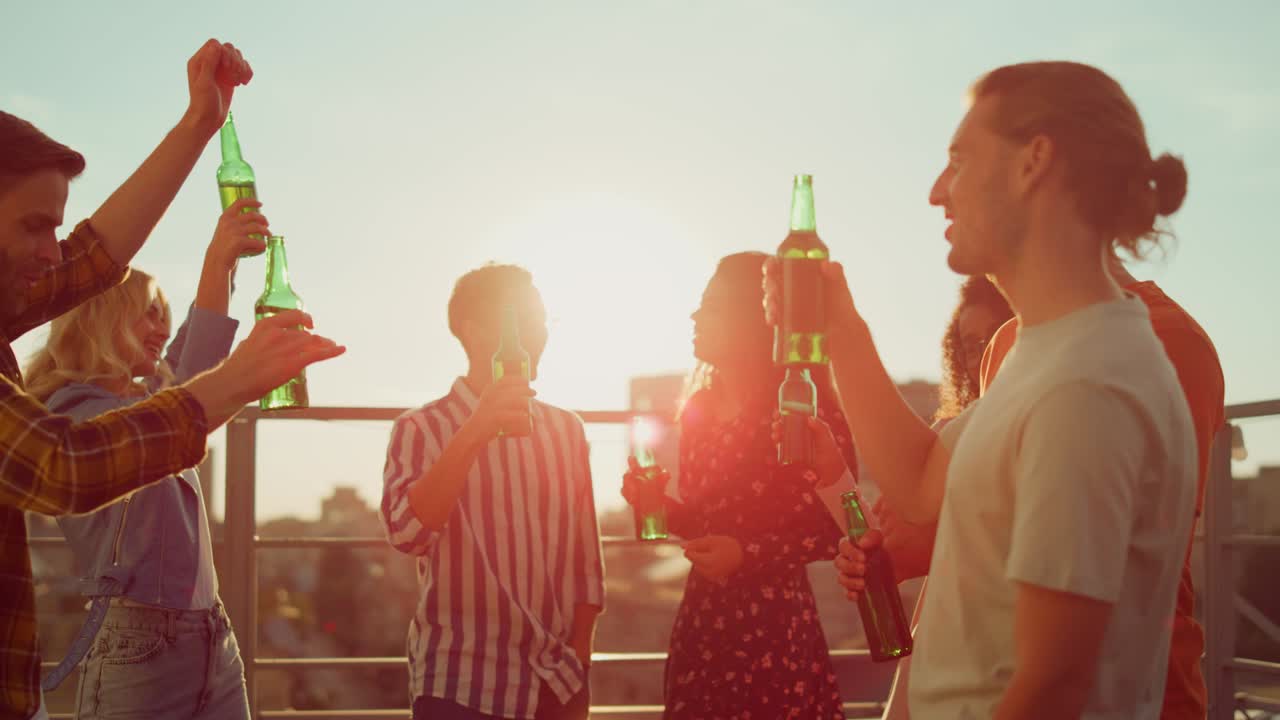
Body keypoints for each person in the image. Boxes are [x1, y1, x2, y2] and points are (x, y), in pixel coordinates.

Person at [781, 61, 1198, 718]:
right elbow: (920, 482)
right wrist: (843, 331)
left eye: (958, 160)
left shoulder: (1086, 387)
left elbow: (1052, 688)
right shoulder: (1045, 351)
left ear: (1033, 162)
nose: (936, 191)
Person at [0, 40, 344, 720]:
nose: (53, 251)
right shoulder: (76, 400)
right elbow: (65, 465)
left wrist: (200, 124)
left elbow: (96, 257)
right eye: (35, 226)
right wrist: (237, 378)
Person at [22, 199, 267, 719]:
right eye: (147, 314)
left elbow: (198, 349)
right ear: (103, 317)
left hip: (211, 634)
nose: (161, 328)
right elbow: (175, 395)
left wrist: (221, 261)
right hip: (139, 645)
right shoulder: (70, 412)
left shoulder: (146, 401)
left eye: (164, 317)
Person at [978, 253, 1224, 719]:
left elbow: (1110, 558)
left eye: (961, 174)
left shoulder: (1168, 339)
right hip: (1005, 683)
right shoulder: (1009, 340)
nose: (940, 197)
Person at [623, 251, 857, 720]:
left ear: (753, 319)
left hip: (774, 632)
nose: (694, 315)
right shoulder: (699, 409)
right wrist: (662, 509)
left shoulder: (798, 401)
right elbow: (708, 525)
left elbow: (838, 523)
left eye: (709, 306)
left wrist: (748, 554)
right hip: (704, 627)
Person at [380, 264, 604, 720]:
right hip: (459, 682)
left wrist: (580, 661)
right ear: (475, 332)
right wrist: (476, 429)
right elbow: (407, 534)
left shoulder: (566, 430)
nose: (540, 333)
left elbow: (585, 562)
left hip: (554, 682)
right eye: (526, 319)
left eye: (543, 320)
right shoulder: (420, 428)